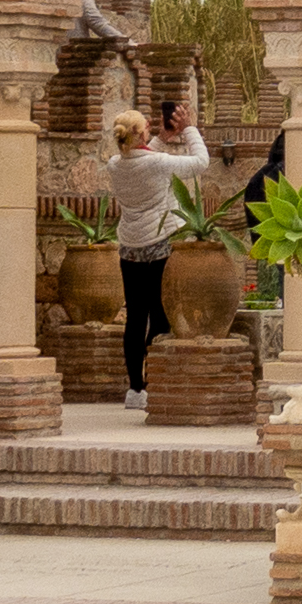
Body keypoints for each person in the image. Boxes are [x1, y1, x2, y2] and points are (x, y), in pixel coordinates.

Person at [107, 99, 208, 406]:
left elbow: (138, 155)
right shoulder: (157, 163)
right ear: (139, 134)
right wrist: (189, 127)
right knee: (160, 317)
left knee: (135, 318)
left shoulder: (115, 164)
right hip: (160, 245)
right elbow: (201, 162)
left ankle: (135, 389)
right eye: (146, 127)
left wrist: (161, 138)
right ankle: (155, 381)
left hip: (130, 249)